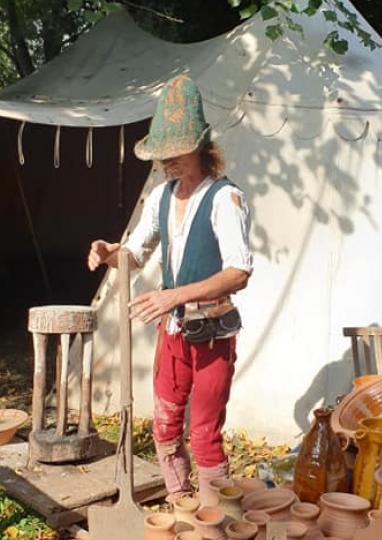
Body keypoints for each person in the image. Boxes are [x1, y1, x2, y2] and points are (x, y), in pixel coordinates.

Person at [86, 74, 253, 507]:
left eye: (173, 153)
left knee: (203, 433)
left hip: (213, 331)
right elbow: (135, 253)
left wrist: (174, 295)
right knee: (164, 423)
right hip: (174, 333)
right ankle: (180, 504)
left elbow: (239, 272)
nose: (165, 163)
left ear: (199, 148)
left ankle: (218, 521)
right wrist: (109, 252)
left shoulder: (224, 199)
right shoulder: (161, 196)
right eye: (161, 155)